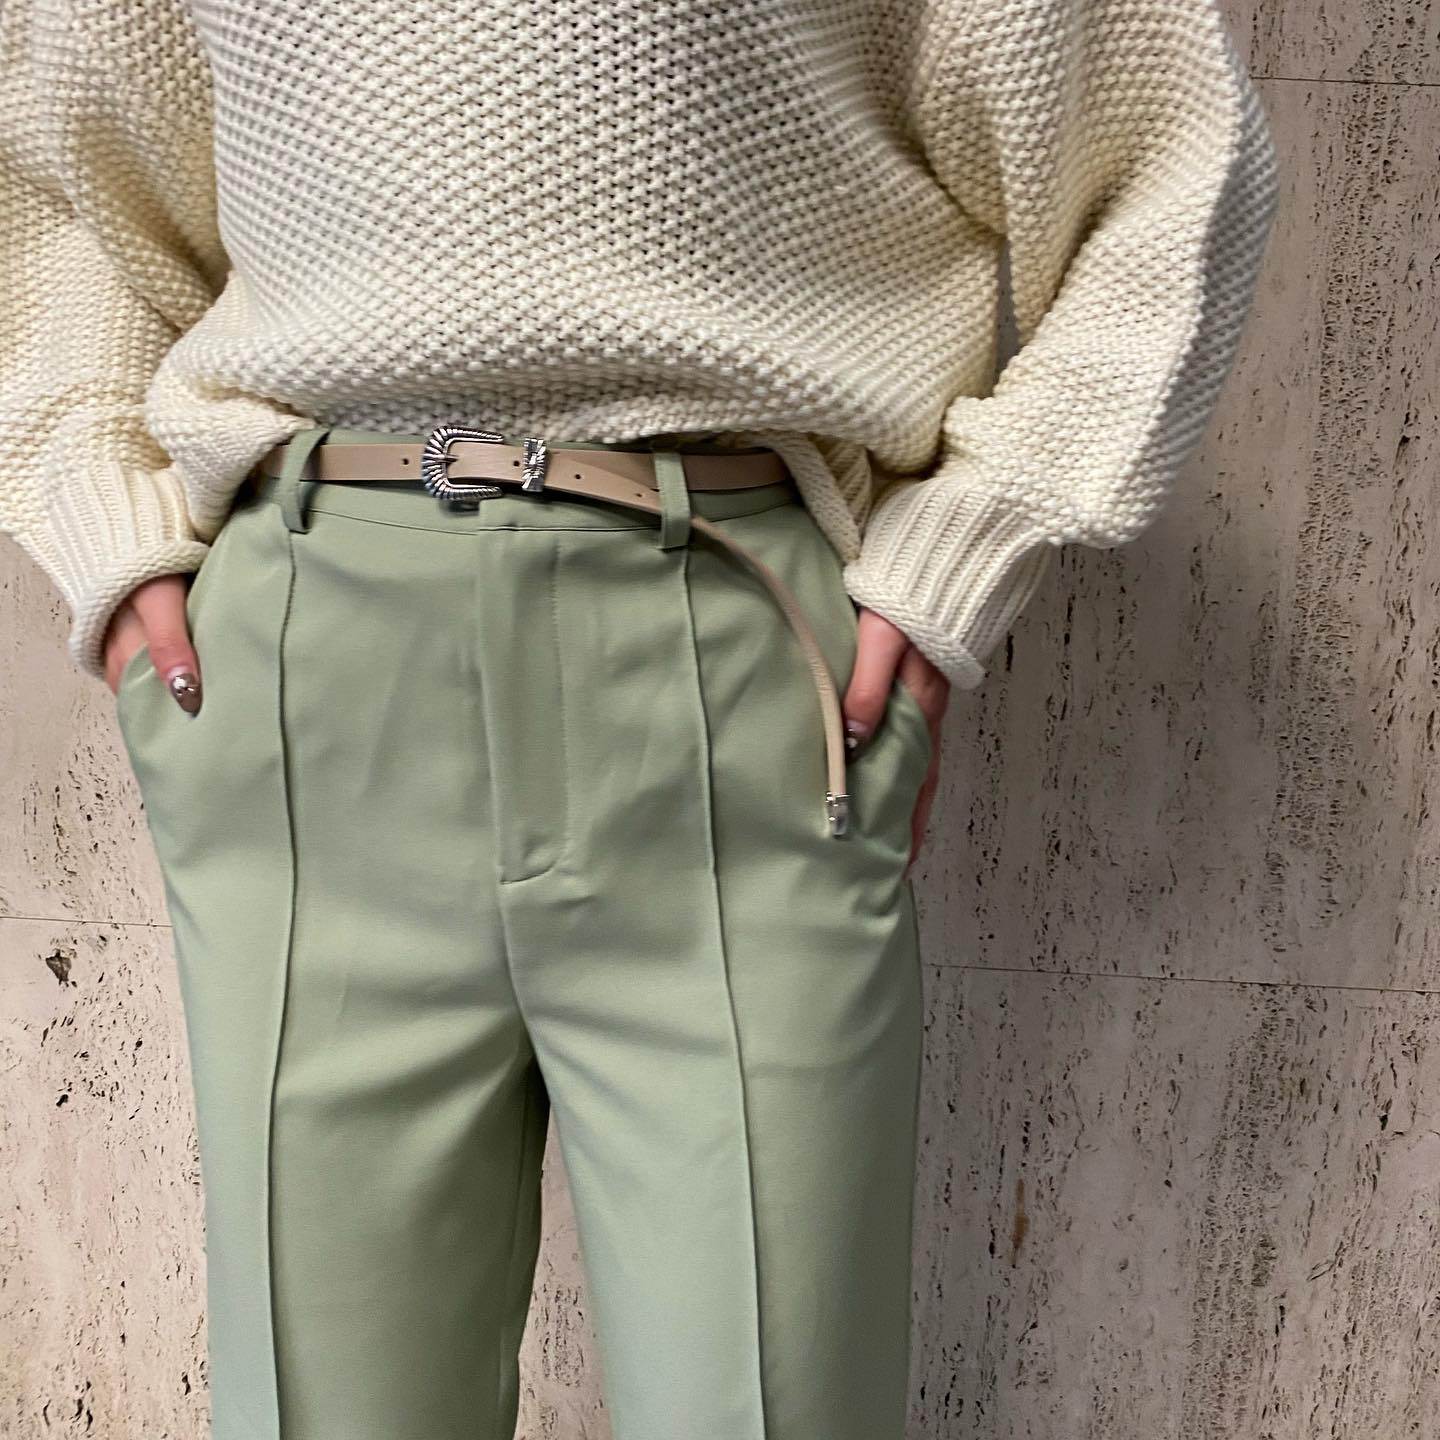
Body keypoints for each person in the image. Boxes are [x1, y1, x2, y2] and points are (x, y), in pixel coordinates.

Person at [0, 2, 1279, 1437]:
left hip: (738, 659)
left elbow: (1163, 146)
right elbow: (56, 175)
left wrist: (966, 551)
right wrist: (106, 520)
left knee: (775, 1402)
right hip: (304, 677)